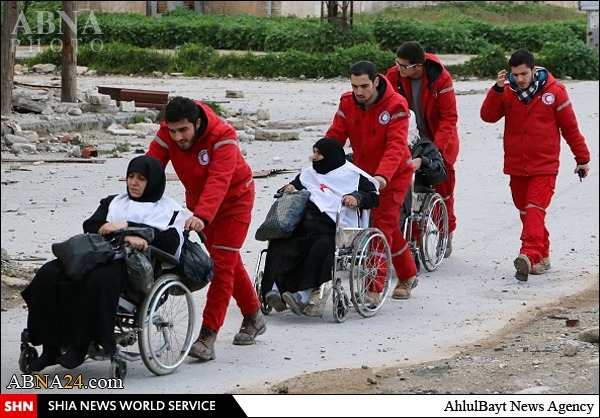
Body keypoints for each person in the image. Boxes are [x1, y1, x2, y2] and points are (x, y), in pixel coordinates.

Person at [21, 155, 185, 372]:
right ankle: (51, 347)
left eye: (141, 179)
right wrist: (125, 235)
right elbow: (91, 225)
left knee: (98, 281)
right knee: (49, 273)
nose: (134, 182)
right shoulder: (114, 202)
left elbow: (171, 243)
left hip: (134, 266)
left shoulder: (168, 210)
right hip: (99, 255)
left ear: (153, 181)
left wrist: (128, 225)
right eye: (131, 176)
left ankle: (80, 347)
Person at [147, 96, 264, 361]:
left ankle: (208, 335)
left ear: (197, 123)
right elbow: (150, 166)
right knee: (229, 261)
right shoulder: (168, 131)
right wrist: (134, 202)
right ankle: (254, 315)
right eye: (173, 131)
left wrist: (202, 215)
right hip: (199, 205)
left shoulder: (223, 136)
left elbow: (219, 180)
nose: (177, 137)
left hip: (234, 201)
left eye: (183, 131)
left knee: (222, 266)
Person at [480, 49, 591, 282]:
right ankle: (543, 255)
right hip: (516, 166)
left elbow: (570, 128)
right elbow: (487, 116)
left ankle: (528, 254)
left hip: (545, 166)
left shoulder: (555, 92)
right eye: (515, 75)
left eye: (524, 74)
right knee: (526, 211)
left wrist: (582, 159)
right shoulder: (507, 91)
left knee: (534, 208)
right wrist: (497, 90)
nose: (519, 79)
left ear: (533, 69)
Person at [325, 60, 419, 300]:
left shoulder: (396, 106)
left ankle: (373, 288)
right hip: (363, 174)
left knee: (381, 226)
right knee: (386, 227)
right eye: (354, 86)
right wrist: (321, 157)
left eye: (364, 86)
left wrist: (382, 177)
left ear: (376, 81)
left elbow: (396, 146)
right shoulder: (347, 102)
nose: (358, 92)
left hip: (394, 175)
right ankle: (408, 273)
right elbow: (336, 136)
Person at [260, 137, 380, 316]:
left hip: (332, 225)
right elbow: (295, 184)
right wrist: (290, 187)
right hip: (303, 223)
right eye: (314, 152)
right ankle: (275, 288)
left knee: (320, 246)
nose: (314, 157)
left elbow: (373, 196)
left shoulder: (353, 176)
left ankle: (303, 293)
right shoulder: (309, 174)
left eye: (319, 153)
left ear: (331, 156)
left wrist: (356, 197)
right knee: (280, 241)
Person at [386, 41, 460, 258]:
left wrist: (435, 152)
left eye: (403, 66)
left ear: (418, 66)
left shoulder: (441, 79)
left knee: (443, 188)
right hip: (407, 139)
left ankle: (446, 233)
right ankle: (414, 239)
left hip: (439, 140)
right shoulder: (394, 76)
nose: (398, 69)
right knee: (409, 188)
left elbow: (449, 118)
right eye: (397, 64)